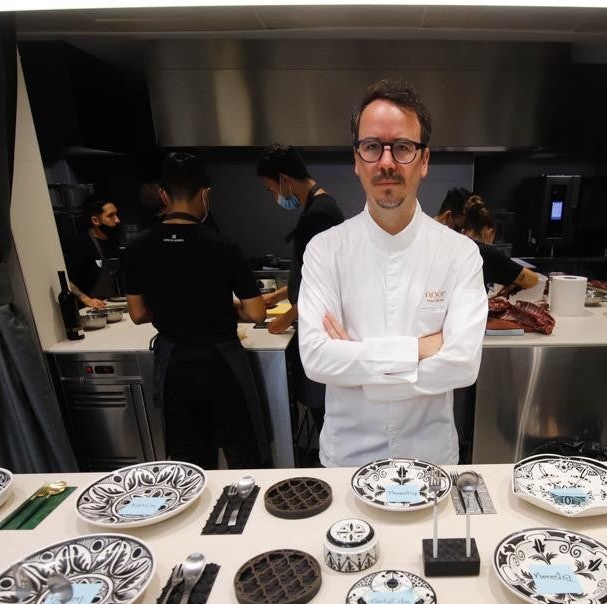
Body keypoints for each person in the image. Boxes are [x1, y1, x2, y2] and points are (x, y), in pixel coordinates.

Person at [298, 78, 488, 467]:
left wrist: (355, 360)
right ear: (356, 160)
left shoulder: (461, 254)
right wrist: (418, 350)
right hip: (347, 458)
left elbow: (464, 364)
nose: (386, 162)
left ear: (424, 160)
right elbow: (316, 359)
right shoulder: (324, 250)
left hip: (430, 459)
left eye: (401, 147)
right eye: (372, 147)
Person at [125, 152, 271, 469]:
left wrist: (174, 308)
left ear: (164, 194)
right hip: (222, 363)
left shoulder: (138, 247)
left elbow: (137, 313)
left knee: (188, 459)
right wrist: (223, 307)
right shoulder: (224, 246)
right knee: (243, 453)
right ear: (205, 194)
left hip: (175, 364)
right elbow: (257, 313)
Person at [255, 144, 345, 336]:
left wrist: (286, 318)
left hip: (319, 325)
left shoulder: (318, 215)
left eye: (271, 189)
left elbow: (323, 284)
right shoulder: (318, 207)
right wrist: (277, 296)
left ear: (284, 179)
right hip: (312, 317)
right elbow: (312, 276)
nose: (275, 196)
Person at [461, 195, 541, 294]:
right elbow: (532, 280)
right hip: (471, 309)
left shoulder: (456, 245)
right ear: (490, 232)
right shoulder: (486, 253)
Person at [66, 197, 122, 309]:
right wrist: (86, 299)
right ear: (95, 220)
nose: (117, 220)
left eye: (116, 214)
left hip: (111, 303)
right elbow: (68, 280)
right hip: (90, 308)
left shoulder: (113, 241)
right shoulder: (81, 244)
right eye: (111, 215)